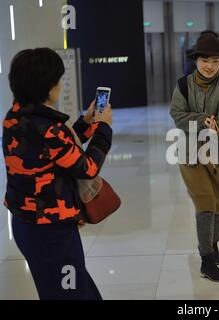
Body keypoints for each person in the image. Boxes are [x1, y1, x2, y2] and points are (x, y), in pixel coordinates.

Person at [2, 48, 113, 299]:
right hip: (51, 232)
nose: (60, 86)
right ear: (46, 87)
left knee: (74, 290)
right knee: (69, 294)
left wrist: (86, 121)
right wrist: (104, 128)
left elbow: (59, 151)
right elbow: (87, 167)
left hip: (25, 223)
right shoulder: (50, 130)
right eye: (58, 81)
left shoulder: (14, 117)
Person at [170, 33, 219, 283]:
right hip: (190, 151)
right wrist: (202, 120)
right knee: (205, 201)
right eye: (205, 60)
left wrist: (218, 125)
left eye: (215, 61)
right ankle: (206, 260)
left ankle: (214, 245)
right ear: (196, 60)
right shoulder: (183, 85)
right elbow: (178, 115)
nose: (210, 66)